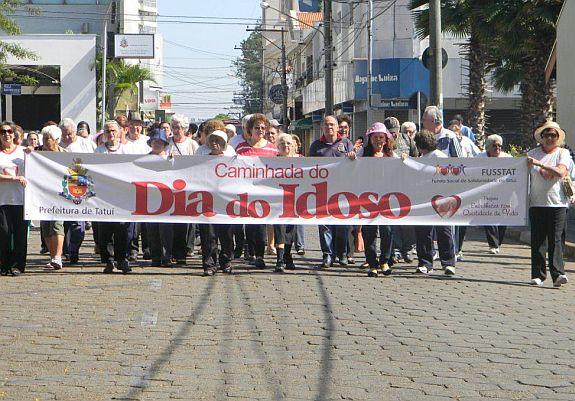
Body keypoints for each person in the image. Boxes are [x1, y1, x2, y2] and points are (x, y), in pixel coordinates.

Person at [403, 130, 456, 276]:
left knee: (439, 231)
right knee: (425, 231)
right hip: (426, 198)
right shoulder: (425, 157)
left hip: (439, 198)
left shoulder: (437, 156)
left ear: (419, 145)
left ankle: (442, 262)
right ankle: (440, 263)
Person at [527, 121, 570, 288]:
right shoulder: (532, 153)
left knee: (556, 239)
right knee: (537, 240)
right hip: (537, 203)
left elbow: (560, 172)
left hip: (558, 203)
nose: (550, 138)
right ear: (541, 137)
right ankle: (538, 275)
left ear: (558, 138)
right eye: (547, 135)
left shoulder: (562, 153)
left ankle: (558, 274)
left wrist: (539, 164)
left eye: (553, 135)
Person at [309, 115, 355, 268]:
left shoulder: (347, 143)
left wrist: (353, 157)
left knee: (342, 225)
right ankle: (327, 255)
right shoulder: (316, 146)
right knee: (325, 225)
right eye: (326, 124)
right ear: (322, 127)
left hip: (342, 191)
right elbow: (309, 168)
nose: (329, 127)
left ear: (337, 128)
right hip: (322, 191)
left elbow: (355, 164)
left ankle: (342, 254)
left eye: (332, 125)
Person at [236, 114, 278, 269]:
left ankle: (260, 255)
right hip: (246, 192)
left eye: (262, 127)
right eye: (257, 127)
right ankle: (251, 252)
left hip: (264, 193)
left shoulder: (272, 148)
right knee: (250, 226)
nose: (260, 130)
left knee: (260, 225)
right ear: (250, 130)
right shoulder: (241, 148)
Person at [361, 123, 397, 277]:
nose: (378, 140)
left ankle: (385, 261)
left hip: (386, 201)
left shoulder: (391, 156)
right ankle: (372, 264)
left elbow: (404, 167)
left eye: (381, 137)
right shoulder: (363, 154)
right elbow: (348, 164)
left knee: (387, 232)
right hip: (367, 200)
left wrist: (403, 160)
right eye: (375, 137)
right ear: (370, 139)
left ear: (386, 139)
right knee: (369, 233)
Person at [96, 121, 132, 274]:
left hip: (122, 196)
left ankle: (122, 259)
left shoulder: (126, 150)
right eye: (107, 131)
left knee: (122, 229)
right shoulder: (99, 151)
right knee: (105, 230)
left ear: (119, 132)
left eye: (113, 131)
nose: (110, 134)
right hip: (104, 197)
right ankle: (108, 260)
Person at [59, 118, 95, 265]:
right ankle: (66, 251)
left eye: (70, 134)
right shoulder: (58, 143)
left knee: (78, 222)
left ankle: (74, 250)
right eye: (64, 134)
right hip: (62, 186)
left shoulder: (85, 143)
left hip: (80, 186)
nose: (67, 137)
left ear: (75, 132)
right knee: (64, 222)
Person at [200, 130, 236, 276]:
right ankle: (209, 264)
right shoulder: (201, 160)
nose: (215, 144)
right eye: (212, 141)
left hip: (226, 203)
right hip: (207, 202)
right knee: (208, 234)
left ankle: (226, 261)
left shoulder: (233, 161)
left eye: (219, 141)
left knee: (227, 234)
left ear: (224, 144)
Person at [385, 117, 418, 264]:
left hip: (407, 186)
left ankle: (408, 249)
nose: (393, 135)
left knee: (408, 221)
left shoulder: (407, 139)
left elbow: (417, 157)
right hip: (389, 186)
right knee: (394, 220)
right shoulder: (382, 142)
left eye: (395, 132)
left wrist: (408, 158)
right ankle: (396, 249)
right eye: (390, 132)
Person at [447, 119, 479, 261]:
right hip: (447, 181)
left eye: (456, 131)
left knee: (460, 216)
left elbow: (478, 155)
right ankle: (448, 248)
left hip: (464, 181)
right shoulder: (445, 142)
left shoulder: (467, 142)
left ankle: (458, 248)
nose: (454, 134)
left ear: (460, 131)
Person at [0, 121, 28, 276]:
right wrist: (14, 179)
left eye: (9, 131)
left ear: (14, 134)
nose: (6, 135)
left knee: (20, 235)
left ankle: (17, 265)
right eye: (3, 132)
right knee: (4, 233)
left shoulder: (23, 152)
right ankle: (4, 264)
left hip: (20, 200)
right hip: (2, 200)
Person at [145, 128, 176, 268]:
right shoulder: (143, 159)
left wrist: (173, 160)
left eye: (160, 142)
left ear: (165, 145)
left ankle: (167, 256)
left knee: (166, 229)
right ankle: (155, 257)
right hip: (148, 199)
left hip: (167, 198)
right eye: (154, 141)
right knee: (151, 229)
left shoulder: (172, 159)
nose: (157, 144)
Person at [477, 134, 511, 254]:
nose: (498, 148)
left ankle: (498, 242)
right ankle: (493, 244)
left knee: (503, 218)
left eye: (499, 146)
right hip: (486, 191)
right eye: (494, 146)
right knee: (489, 216)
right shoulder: (479, 157)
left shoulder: (508, 158)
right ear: (488, 147)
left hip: (504, 191)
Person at [39, 125, 66, 270]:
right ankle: (52, 256)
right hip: (42, 195)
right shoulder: (37, 154)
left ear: (56, 140)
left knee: (57, 224)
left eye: (47, 138)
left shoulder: (65, 154)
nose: (44, 141)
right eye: (43, 138)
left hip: (60, 195)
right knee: (45, 227)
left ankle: (58, 256)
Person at [273, 133, 299, 272]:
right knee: (279, 229)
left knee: (291, 230)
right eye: (282, 143)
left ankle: (288, 256)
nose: (286, 146)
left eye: (288, 143)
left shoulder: (302, 161)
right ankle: (280, 259)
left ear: (294, 145)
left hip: (295, 200)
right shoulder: (272, 162)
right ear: (278, 146)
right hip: (277, 201)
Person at [291, 133, 306, 255]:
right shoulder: (279, 158)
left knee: (299, 220)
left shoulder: (302, 158)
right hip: (285, 194)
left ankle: (300, 244)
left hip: (299, 193)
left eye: (294, 144)